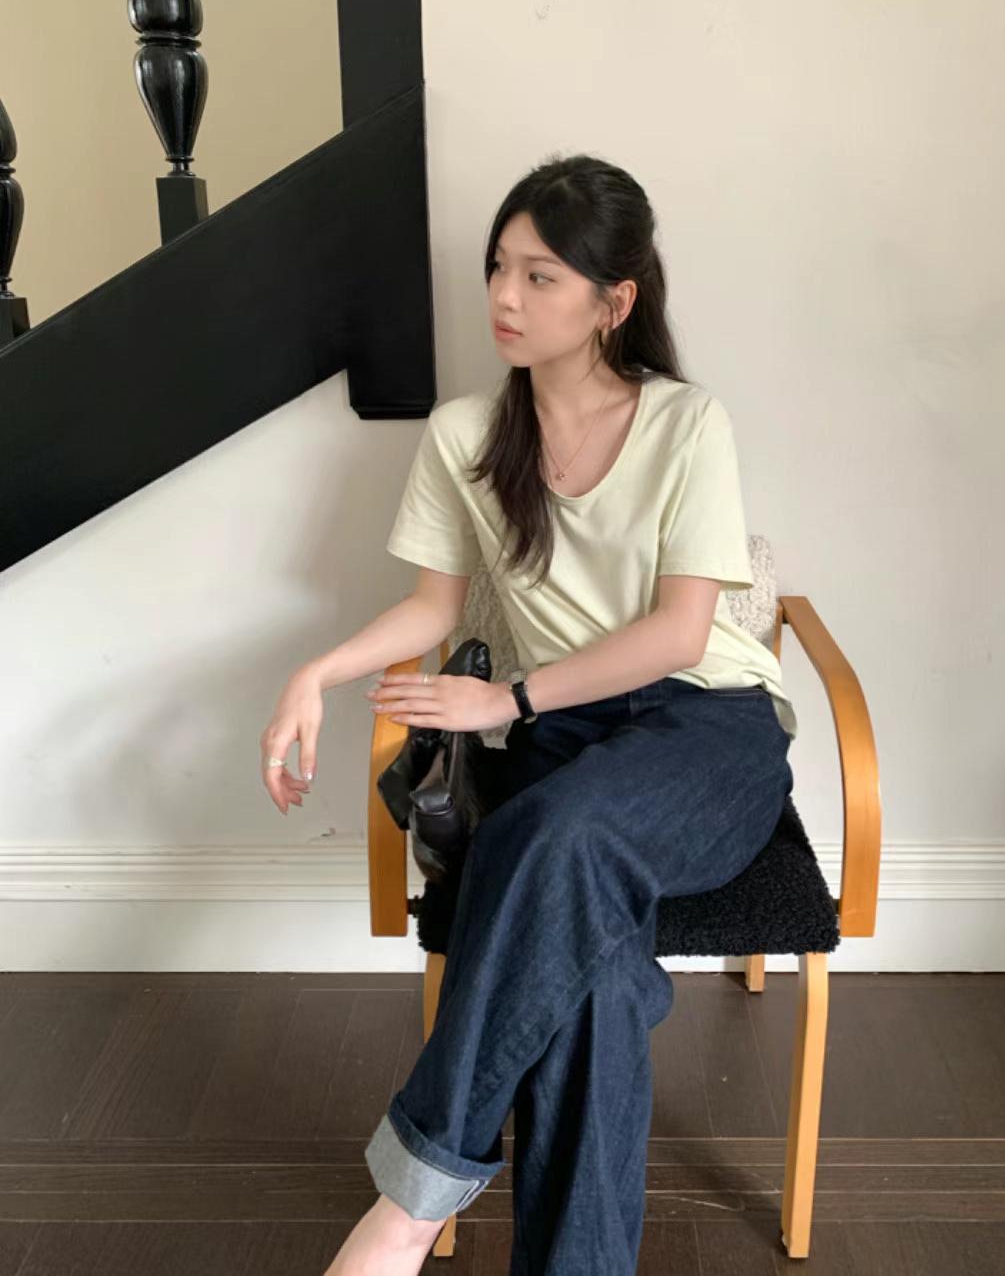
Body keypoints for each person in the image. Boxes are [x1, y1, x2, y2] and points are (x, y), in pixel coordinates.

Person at [259, 153, 797, 1275]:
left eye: (540, 275)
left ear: (614, 300)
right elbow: (430, 605)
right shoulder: (465, 434)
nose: (504, 296)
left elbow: (681, 635)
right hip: (566, 739)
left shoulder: (687, 423)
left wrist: (504, 697)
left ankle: (408, 1209)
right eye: (498, 266)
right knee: (595, 980)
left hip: (710, 731)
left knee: (556, 837)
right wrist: (317, 671)